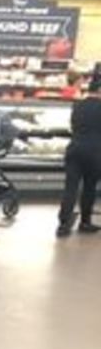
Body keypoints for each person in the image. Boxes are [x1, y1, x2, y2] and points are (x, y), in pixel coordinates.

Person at [57, 64, 101, 237]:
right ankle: (85, 222)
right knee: (89, 187)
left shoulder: (77, 106)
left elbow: (73, 126)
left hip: (74, 149)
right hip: (95, 152)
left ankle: (63, 224)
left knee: (71, 187)